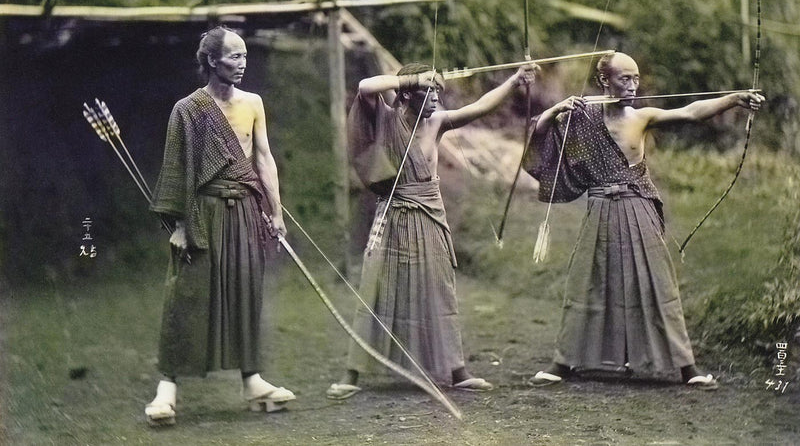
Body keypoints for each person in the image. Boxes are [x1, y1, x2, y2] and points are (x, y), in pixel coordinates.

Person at [526, 52, 764, 390]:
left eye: (636, 79)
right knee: (587, 283)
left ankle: (688, 368)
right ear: (604, 81)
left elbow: (690, 113)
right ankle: (562, 362)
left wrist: (733, 99)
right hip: (599, 208)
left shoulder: (641, 116)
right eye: (625, 79)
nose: (632, 86)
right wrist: (555, 110)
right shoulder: (582, 115)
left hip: (637, 207)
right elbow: (537, 133)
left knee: (657, 283)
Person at [326, 61, 538, 400]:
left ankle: (458, 371)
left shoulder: (436, 123)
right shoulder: (386, 119)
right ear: (409, 93)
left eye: (439, 90)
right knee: (376, 288)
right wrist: (411, 77)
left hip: (429, 215)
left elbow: (480, 106)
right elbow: (366, 85)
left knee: (440, 289)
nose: (437, 98)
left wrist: (515, 81)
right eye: (429, 90)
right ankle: (353, 373)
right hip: (395, 214)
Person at [145, 26, 295, 426]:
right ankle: (167, 389)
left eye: (245, 56)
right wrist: (177, 225)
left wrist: (276, 212)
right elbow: (175, 170)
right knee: (187, 295)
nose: (242, 64)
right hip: (202, 213)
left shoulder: (253, 103)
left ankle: (252, 381)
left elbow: (263, 158)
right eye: (234, 57)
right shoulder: (188, 109)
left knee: (246, 290)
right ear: (212, 60)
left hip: (245, 209)